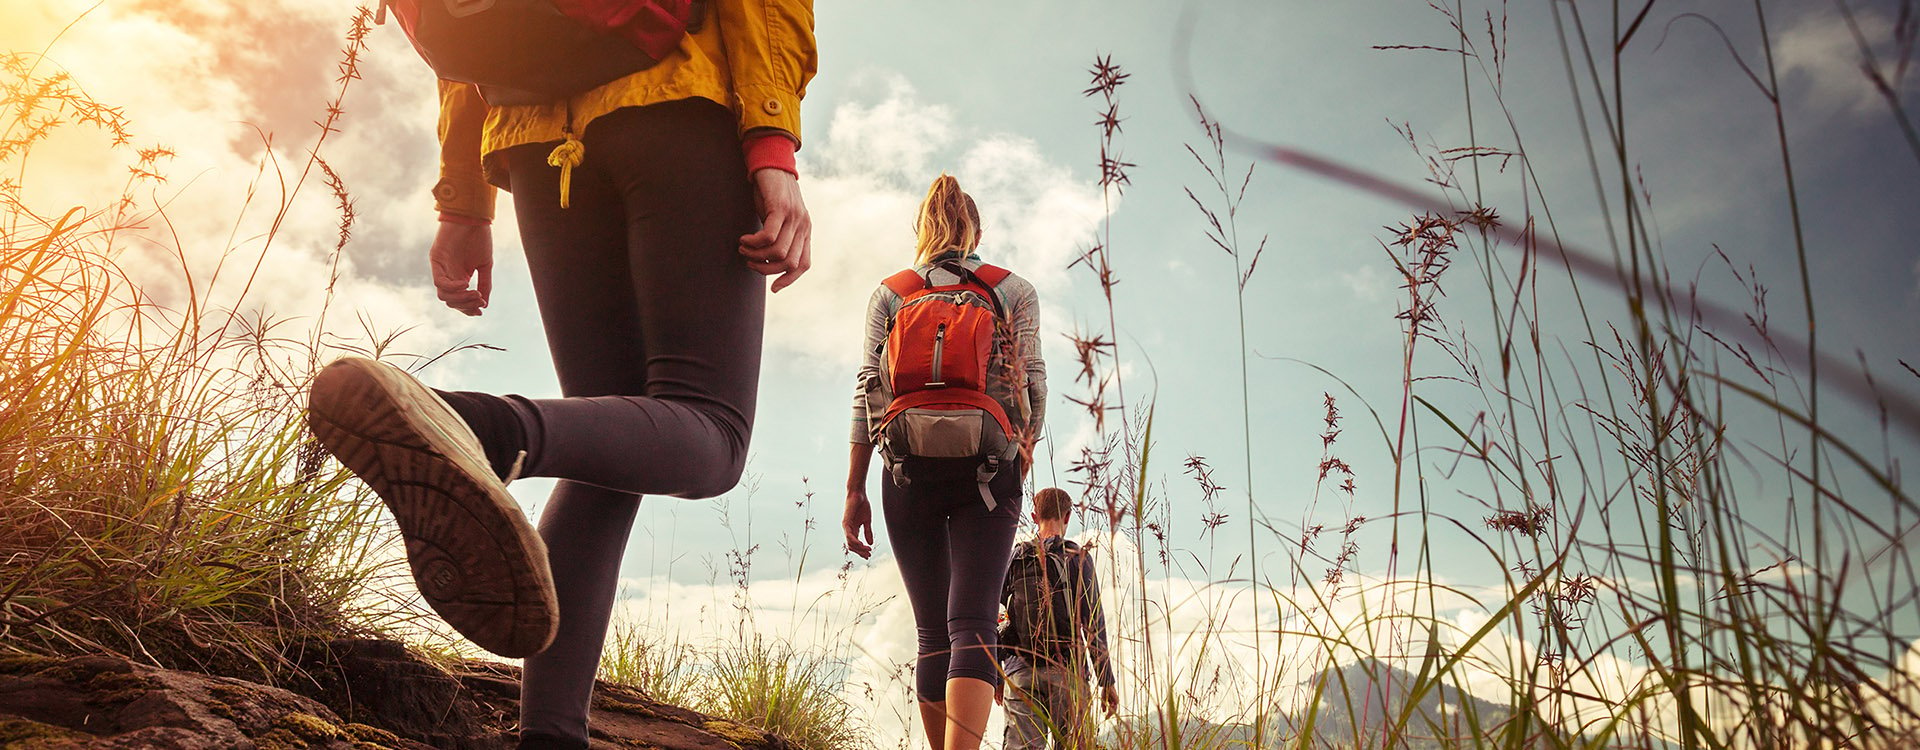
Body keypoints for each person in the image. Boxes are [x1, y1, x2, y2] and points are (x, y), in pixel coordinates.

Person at [304, 3, 816, 749]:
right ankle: (479, 426)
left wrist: (463, 198)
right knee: (711, 434)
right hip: (677, 104)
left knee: (607, 449)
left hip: (533, 139)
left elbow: (468, 35)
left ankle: (550, 737)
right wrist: (772, 140)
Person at [843, 174, 1047, 750]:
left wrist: (855, 488)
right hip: (990, 466)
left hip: (906, 469)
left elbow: (865, 392)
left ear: (921, 232)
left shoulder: (892, 293)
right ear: (976, 230)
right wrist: (1018, 461)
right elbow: (1033, 382)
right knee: (975, 622)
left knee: (933, 629)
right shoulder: (1013, 289)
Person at [997, 487, 1119, 750]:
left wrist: (996, 674)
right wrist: (1106, 680)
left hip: (1021, 672)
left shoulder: (1016, 556)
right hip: (1069, 673)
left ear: (1033, 515)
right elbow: (1093, 621)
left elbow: (995, 615)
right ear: (1067, 517)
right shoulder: (1078, 557)